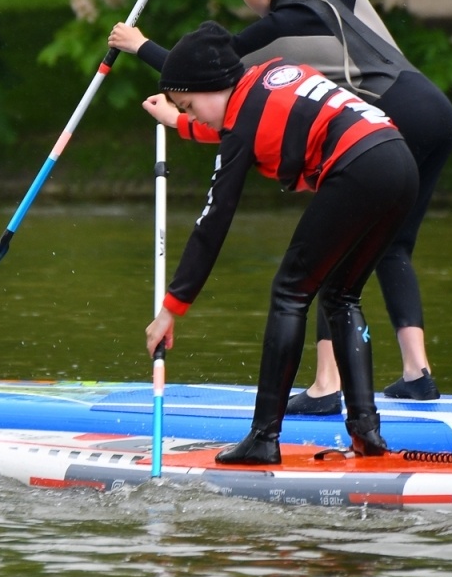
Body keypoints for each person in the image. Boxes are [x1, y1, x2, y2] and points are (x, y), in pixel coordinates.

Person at [112, 0, 452, 413]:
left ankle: (326, 387)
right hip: (436, 109)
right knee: (391, 249)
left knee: (332, 255)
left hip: (382, 133)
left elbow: (207, 76)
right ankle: (417, 373)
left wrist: (139, 44)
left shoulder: (275, 27)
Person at [141, 23, 419, 463]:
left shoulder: (240, 119)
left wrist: (170, 311)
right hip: (399, 159)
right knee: (341, 294)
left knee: (291, 291)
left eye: (190, 105)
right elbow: (245, 128)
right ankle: (366, 434)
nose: (193, 116)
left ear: (211, 86)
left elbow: (212, 224)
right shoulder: (271, 74)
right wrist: (179, 122)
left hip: (359, 166)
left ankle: (263, 439)